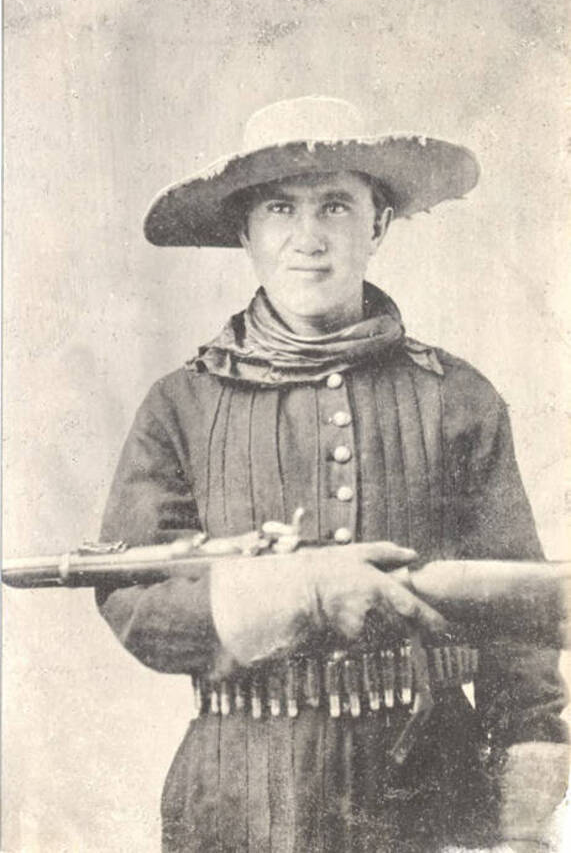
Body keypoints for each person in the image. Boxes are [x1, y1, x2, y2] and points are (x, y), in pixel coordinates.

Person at [97, 97, 568, 853]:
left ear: (377, 225)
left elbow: (519, 611)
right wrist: (295, 595)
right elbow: (133, 605)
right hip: (241, 793)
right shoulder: (180, 404)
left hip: (433, 790)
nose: (308, 238)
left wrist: (525, 768)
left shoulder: (456, 396)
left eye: (336, 207)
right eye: (281, 208)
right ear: (246, 232)